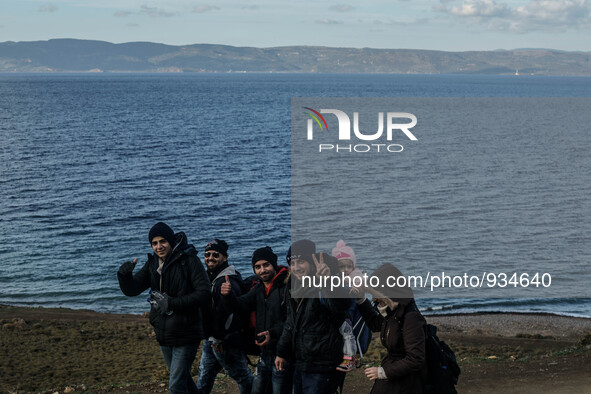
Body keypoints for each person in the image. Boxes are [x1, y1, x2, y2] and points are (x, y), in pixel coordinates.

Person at [117, 222, 211, 394]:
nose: (159, 246)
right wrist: (124, 276)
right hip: (164, 333)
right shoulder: (153, 264)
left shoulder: (189, 261)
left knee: (175, 385)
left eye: (162, 241)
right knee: (183, 381)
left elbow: (204, 292)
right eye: (154, 243)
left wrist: (172, 303)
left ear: (170, 241)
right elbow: (132, 289)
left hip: (187, 332)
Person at [275, 240, 351, 394]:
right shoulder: (293, 285)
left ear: (311, 262)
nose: (296, 267)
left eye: (301, 262)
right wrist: (282, 352)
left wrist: (328, 281)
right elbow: (290, 323)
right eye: (293, 263)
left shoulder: (325, 281)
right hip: (301, 362)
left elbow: (341, 305)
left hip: (323, 365)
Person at [220, 246, 292, 394]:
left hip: (283, 353)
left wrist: (272, 333)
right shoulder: (259, 288)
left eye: (266, 265)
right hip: (264, 353)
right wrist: (228, 296)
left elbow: (292, 321)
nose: (262, 270)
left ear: (274, 264)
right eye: (257, 267)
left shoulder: (286, 287)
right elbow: (240, 305)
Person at [356, 263, 426, 394]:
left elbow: (415, 358)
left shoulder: (411, 318)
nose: (374, 299)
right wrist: (361, 300)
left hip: (407, 384)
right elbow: (376, 324)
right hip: (394, 377)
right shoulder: (393, 312)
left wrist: (382, 372)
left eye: (376, 293)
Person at [196, 239, 254, 394]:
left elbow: (228, 314)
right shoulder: (211, 277)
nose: (210, 258)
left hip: (225, 341)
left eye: (216, 254)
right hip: (211, 339)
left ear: (225, 257)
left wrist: (219, 338)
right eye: (207, 254)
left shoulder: (227, 280)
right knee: (204, 377)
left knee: (243, 377)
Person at [331, 240, 366, 372]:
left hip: (350, 312)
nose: (345, 270)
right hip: (340, 309)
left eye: (348, 266)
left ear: (353, 266)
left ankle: (350, 359)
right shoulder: (335, 277)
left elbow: (359, 282)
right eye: (341, 266)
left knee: (347, 333)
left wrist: (356, 287)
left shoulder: (355, 274)